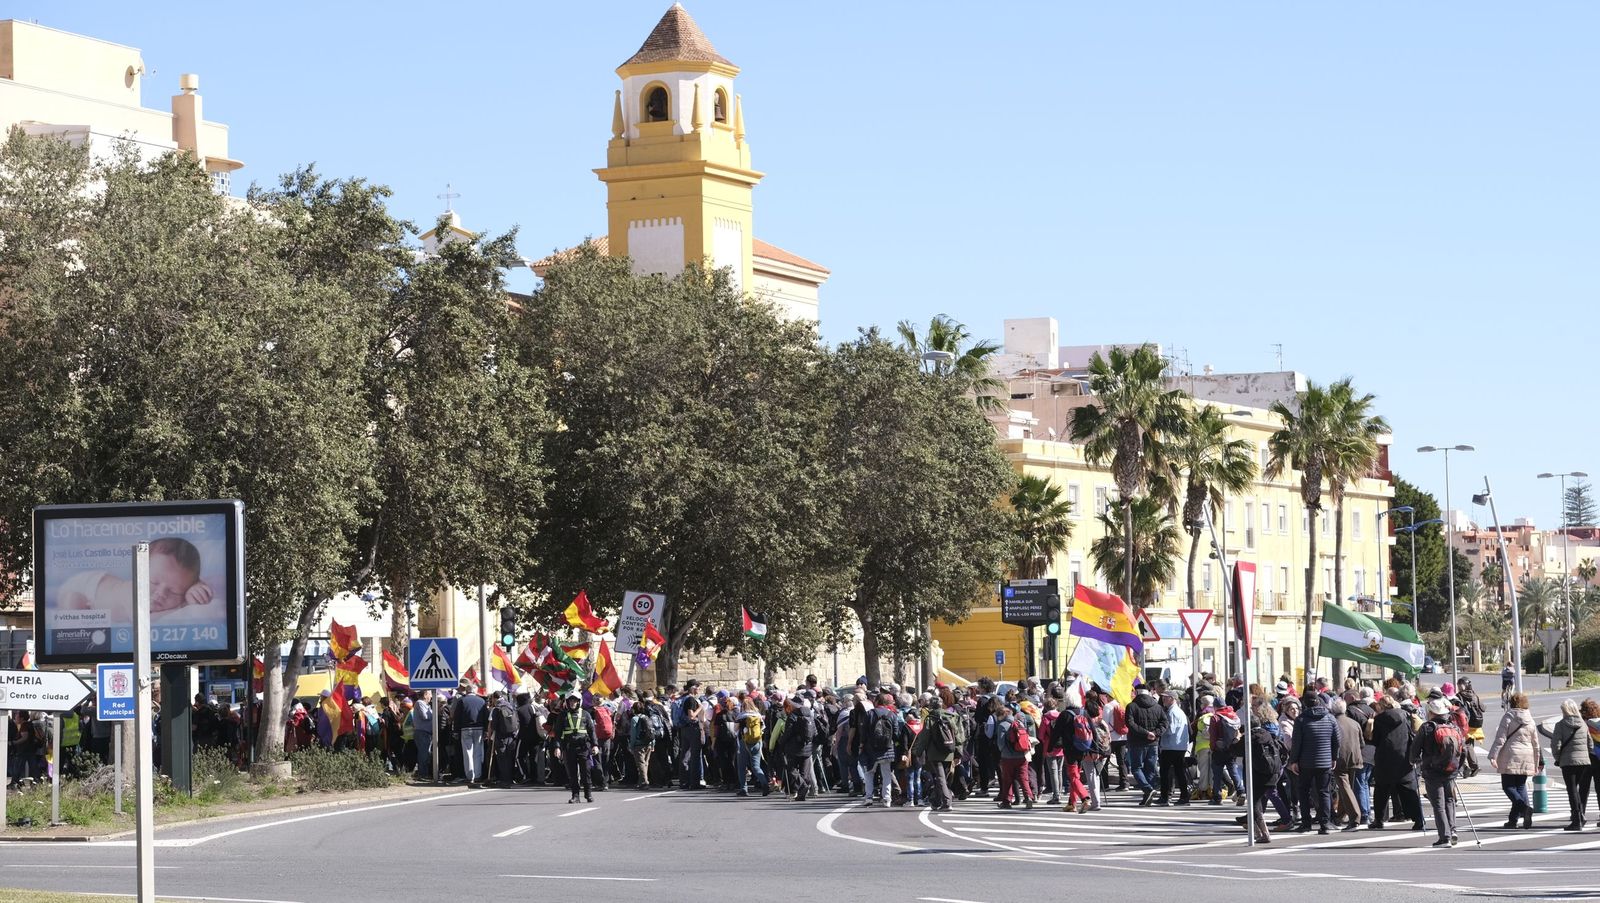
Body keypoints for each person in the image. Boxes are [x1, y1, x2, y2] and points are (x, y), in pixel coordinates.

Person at [1412, 697, 1464, 846]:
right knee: (1449, 800)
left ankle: (1445, 837)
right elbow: (1463, 749)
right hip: (1450, 770)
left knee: (1438, 803)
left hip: (1432, 770)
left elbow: (1415, 748)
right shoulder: (1454, 728)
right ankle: (1453, 830)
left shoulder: (1427, 727)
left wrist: (1414, 760)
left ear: (1431, 712)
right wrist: (1457, 767)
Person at [1488, 691, 1539, 829]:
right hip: (1526, 756)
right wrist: (1537, 761)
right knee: (1520, 787)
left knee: (1508, 787)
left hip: (1511, 755)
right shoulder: (1531, 719)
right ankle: (1513, 820)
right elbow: (1536, 743)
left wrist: (1493, 756)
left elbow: (1500, 738)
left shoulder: (1509, 716)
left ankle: (1524, 808)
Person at [1288, 694, 1339, 835]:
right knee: (1324, 792)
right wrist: (1334, 757)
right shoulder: (1330, 718)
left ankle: (1306, 823)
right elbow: (1337, 740)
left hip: (1306, 762)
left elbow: (1296, 743)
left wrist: (1293, 761)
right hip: (1325, 761)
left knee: (1303, 792)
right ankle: (1325, 823)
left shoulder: (1301, 720)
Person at [1540, 698, 1593, 831]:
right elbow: (1590, 744)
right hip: (1584, 762)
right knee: (1577, 789)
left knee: (1571, 790)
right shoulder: (1583, 724)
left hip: (1568, 762)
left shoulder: (1561, 725)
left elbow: (1555, 745)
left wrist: (1558, 758)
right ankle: (1581, 815)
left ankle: (1576, 820)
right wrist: (1585, 755)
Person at [912, 694, 956, 811]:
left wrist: (918, 752)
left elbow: (924, 737)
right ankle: (936, 801)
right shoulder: (951, 716)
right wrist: (959, 751)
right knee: (942, 778)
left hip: (934, 752)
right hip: (949, 751)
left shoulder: (930, 718)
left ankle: (947, 802)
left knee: (940, 778)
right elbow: (959, 734)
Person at [554, 693, 598, 804]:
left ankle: (588, 794)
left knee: (586, 771)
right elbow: (558, 733)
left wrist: (595, 745)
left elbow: (592, 731)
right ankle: (575, 795)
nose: (572, 703)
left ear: (579, 701)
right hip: (569, 748)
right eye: (570, 701)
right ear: (567, 702)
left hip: (584, 747)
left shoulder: (586, 714)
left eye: (575, 701)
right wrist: (557, 747)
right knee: (572, 773)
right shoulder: (562, 715)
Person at [862, 693, 903, 807]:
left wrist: (862, 745)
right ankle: (887, 799)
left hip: (871, 749)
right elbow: (896, 733)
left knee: (869, 773)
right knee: (886, 774)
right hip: (887, 749)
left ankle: (869, 797)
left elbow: (864, 732)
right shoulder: (892, 714)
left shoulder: (869, 714)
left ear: (876, 702)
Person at [1124, 687, 1163, 805]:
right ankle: (1148, 794)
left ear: (1136, 692)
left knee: (1136, 768)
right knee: (1150, 768)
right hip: (1153, 742)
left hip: (1137, 742)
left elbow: (1130, 723)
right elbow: (1164, 722)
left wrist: (1146, 733)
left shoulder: (1132, 706)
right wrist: (1155, 733)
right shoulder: (1157, 706)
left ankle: (1148, 789)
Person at [993, 702, 1035, 809]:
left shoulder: (1002, 725)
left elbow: (1001, 743)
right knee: (1023, 778)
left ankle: (1007, 801)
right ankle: (1029, 797)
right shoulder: (1019, 722)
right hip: (1022, 755)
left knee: (1007, 779)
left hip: (1007, 757)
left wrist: (1002, 752)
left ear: (1002, 715)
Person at [1331, 698, 1364, 830]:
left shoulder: (1333, 723)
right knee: (1347, 787)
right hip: (1355, 758)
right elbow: (1362, 743)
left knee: (1345, 787)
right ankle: (1341, 815)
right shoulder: (1354, 723)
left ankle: (1355, 817)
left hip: (1340, 759)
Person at [449, 679, 488, 788]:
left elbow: (457, 717)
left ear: (466, 691)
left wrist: (456, 731)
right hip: (479, 728)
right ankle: (477, 775)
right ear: (475, 691)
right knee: (478, 752)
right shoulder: (482, 701)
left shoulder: (462, 701)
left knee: (467, 753)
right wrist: (485, 730)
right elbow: (485, 717)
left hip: (465, 729)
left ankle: (470, 776)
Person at [1156, 690, 1191, 806]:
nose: (1163, 699)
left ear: (1172, 699)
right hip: (1178, 746)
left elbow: (1170, 730)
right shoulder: (1178, 712)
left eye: (1166, 697)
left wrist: (1158, 732)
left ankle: (1165, 797)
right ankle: (1184, 796)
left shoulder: (1172, 713)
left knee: (1165, 772)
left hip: (1170, 746)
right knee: (1179, 771)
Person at [733, 696, 769, 797]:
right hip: (757, 742)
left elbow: (735, 730)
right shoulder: (758, 715)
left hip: (743, 743)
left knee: (741, 767)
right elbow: (763, 728)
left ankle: (744, 789)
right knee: (756, 766)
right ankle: (765, 784)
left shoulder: (741, 716)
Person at [783, 697, 816, 801]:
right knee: (804, 771)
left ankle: (803, 786)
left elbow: (788, 732)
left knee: (791, 769)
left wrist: (781, 742)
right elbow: (815, 732)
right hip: (808, 747)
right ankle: (802, 795)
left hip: (794, 747)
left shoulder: (793, 715)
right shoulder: (810, 714)